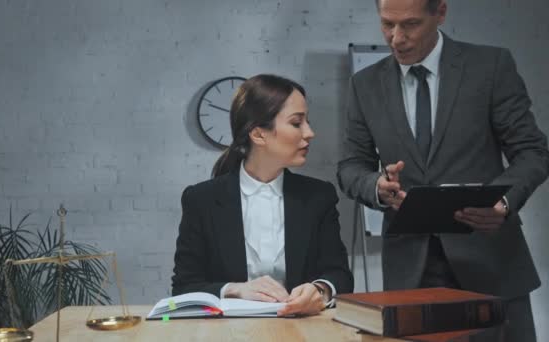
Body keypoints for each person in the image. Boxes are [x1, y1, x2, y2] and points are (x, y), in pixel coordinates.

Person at [337, 0, 549, 340]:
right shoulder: (365, 84)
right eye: (387, 24)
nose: (396, 38)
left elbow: (533, 151)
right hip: (411, 272)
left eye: (410, 24)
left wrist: (503, 204)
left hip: (491, 260)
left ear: (441, 13)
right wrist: (376, 186)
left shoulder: (490, 66)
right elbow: (350, 166)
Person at [172, 74, 354, 316]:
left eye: (307, 122)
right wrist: (234, 289)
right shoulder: (201, 200)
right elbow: (183, 288)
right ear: (258, 135)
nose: (310, 133)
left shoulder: (318, 196)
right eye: (297, 123)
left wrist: (320, 290)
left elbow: (340, 275)